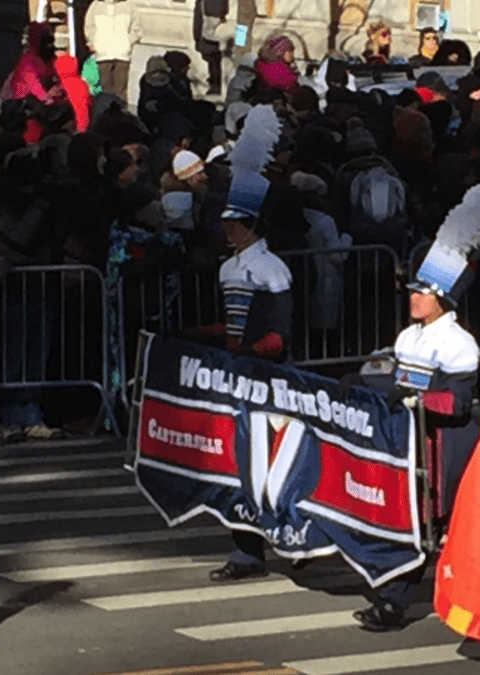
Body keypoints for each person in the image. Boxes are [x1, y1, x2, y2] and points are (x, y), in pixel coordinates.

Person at [351, 182, 480, 631]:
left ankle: (417, 602)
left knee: (445, 531)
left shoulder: (458, 343)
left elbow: (456, 404)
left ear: (443, 297)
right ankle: (396, 601)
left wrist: (415, 400)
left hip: (445, 451)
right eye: (411, 288)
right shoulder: (407, 337)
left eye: (422, 291)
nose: (412, 296)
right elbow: (394, 382)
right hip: (409, 447)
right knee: (417, 529)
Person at [208, 104, 294, 581]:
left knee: (272, 468)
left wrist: (249, 353)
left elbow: (280, 335)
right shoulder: (227, 268)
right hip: (235, 378)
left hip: (269, 382)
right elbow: (230, 325)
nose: (227, 230)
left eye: (235, 225)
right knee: (236, 469)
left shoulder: (271, 269)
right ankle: (245, 552)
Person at [84, 0, 143, 101]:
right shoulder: (95, 6)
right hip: (103, 55)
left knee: (121, 93)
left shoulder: (129, 5)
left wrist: (127, 42)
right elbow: (89, 27)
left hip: (122, 55)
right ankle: (107, 115)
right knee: (106, 92)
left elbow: (137, 29)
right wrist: (96, 42)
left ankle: (122, 116)